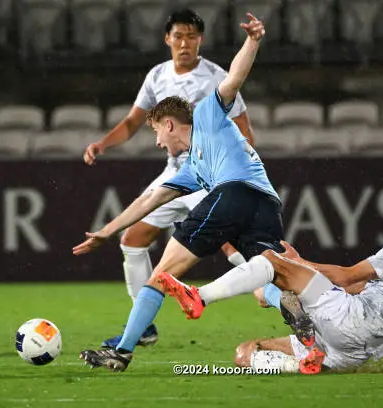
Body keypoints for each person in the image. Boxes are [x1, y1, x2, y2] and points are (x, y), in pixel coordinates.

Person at [74, 13, 280, 372]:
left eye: (157, 132)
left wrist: (253, 41)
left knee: (163, 274)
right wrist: (107, 232)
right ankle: (312, 324)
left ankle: (124, 349)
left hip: (230, 192)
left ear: (170, 124)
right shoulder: (191, 168)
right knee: (271, 273)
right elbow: (149, 200)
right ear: (167, 39)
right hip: (265, 201)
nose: (155, 141)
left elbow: (235, 78)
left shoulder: (207, 114)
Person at [163, 193, 383, 374]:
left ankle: (199, 296)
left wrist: (299, 264)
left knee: (272, 261)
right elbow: (355, 287)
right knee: (245, 352)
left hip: (347, 321)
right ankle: (305, 357)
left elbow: (347, 276)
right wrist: (301, 276)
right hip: (354, 351)